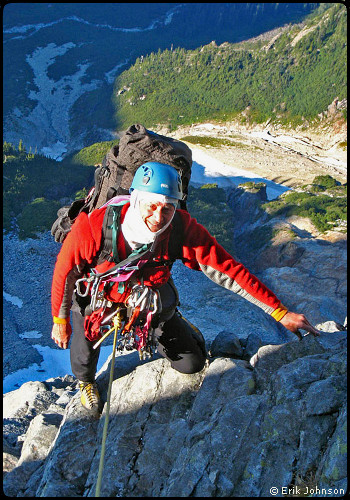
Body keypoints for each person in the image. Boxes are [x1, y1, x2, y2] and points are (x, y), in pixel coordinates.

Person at [51, 162, 320, 413]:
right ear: (135, 200)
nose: (158, 217)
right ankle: (85, 381)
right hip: (99, 298)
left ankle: (170, 318)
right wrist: (60, 319)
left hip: (148, 298)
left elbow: (229, 270)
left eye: (167, 207)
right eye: (151, 206)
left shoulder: (180, 228)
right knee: (84, 350)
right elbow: (65, 274)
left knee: (191, 363)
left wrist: (279, 312)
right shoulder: (94, 227)